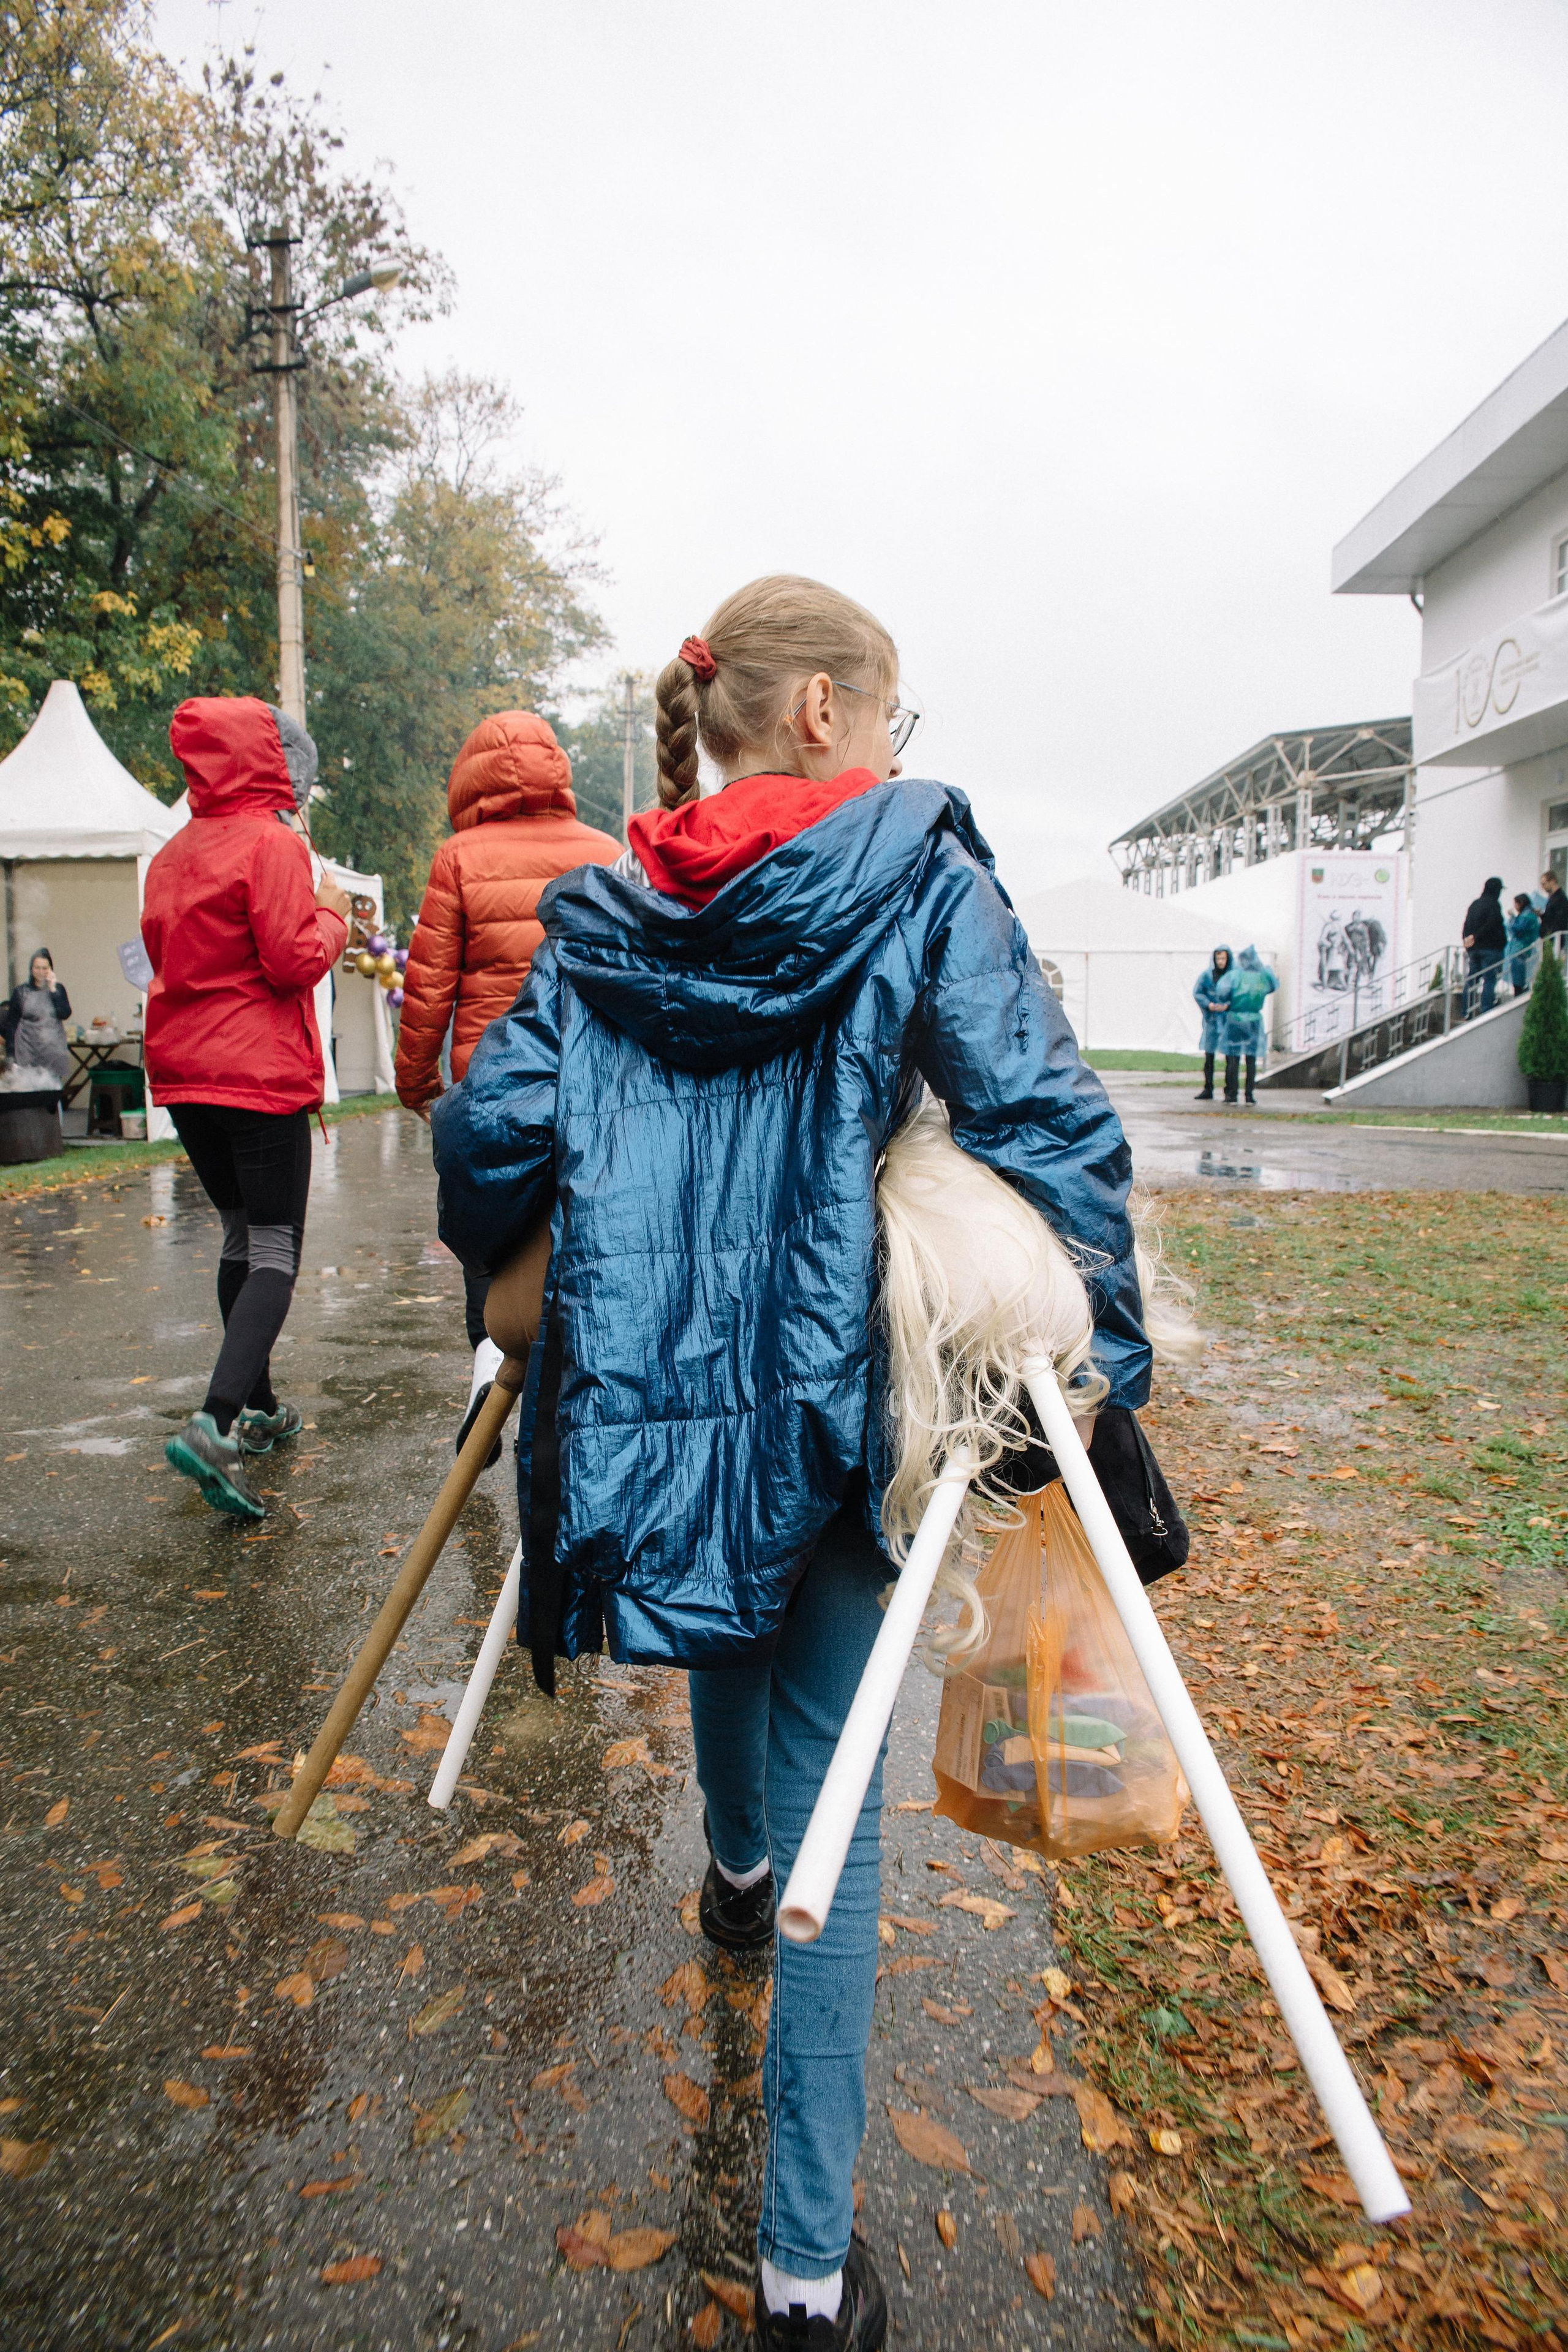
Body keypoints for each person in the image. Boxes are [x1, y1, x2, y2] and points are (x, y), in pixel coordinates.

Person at [431, 575, 1155, 2351]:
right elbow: (1045, 1114)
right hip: (846, 1376)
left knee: (724, 1621)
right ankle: (808, 2276)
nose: (901, 748)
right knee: (847, 1769)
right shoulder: (915, 870)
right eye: (892, 714)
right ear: (824, 711)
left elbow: (485, 1133)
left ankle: (736, 1872)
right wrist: (1106, 1359)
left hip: (656, 1391)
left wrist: (524, 1266)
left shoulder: (603, 914)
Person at [141, 698, 350, 1520]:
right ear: (275, 765)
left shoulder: (171, 855)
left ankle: (258, 1410)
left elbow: (165, 958)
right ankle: (215, 1423)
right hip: (254, 1071)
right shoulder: (271, 844)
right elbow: (294, 960)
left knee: (239, 1236)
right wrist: (332, 913)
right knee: (274, 1250)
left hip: (185, 1075)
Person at [394, 710, 619, 1450]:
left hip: (487, 1087)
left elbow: (428, 988)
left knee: (487, 1239)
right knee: (578, 1240)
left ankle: (489, 1368)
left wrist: (417, 1087)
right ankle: (579, 1397)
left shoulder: (458, 858)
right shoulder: (605, 853)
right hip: (583, 1089)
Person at [1215, 943, 1277, 1103]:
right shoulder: (1263, 976)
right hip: (1255, 1021)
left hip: (1235, 1019)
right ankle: (1249, 1095)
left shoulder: (1234, 976)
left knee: (1233, 1057)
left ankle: (1232, 1094)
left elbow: (1222, 994)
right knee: (1251, 1059)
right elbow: (1273, 987)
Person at [1, 949, 72, 1083]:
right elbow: (12, 1025)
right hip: (27, 1050)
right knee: (29, 1090)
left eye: (45, 968)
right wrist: (11, 1055)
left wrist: (53, 990)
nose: (41, 972)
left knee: (51, 1090)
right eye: (37, 968)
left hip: (53, 1051)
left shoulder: (59, 989)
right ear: (32, 969)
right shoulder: (21, 992)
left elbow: (65, 1013)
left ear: (50, 969)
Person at [1461, 875, 1508, 1016]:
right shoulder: (1494, 904)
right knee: (1489, 979)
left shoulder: (1475, 904)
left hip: (1474, 950)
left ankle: (1466, 1011)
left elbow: (1466, 924)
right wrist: (1476, 937)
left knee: (1472, 981)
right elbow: (1492, 923)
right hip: (1490, 949)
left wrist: (1466, 940)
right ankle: (1486, 1010)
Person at [1191, 944, 1231, 1099]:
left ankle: (1229, 1091)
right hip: (1212, 1021)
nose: (1221, 962)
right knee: (1209, 1056)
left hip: (1228, 1021)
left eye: (1223, 958)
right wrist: (1209, 1004)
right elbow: (1198, 993)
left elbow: (1237, 994)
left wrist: (1227, 1005)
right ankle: (1208, 1088)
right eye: (1218, 958)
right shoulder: (1207, 976)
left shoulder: (1232, 976)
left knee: (1230, 1057)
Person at [1507, 892, 1541, 995]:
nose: (1515, 907)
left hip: (1520, 949)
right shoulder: (1530, 915)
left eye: (1516, 904)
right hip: (1522, 949)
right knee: (1519, 975)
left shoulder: (1527, 916)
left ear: (1521, 903)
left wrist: (1512, 918)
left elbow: (1517, 929)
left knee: (1518, 977)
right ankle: (1521, 991)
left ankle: (1520, 993)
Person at [1540, 870, 1567, 946]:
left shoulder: (1560, 899)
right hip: (1549, 939)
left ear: (1552, 881)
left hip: (1555, 940)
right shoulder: (1552, 898)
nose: (1543, 888)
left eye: (1544, 884)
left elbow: (1560, 921)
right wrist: (1541, 915)